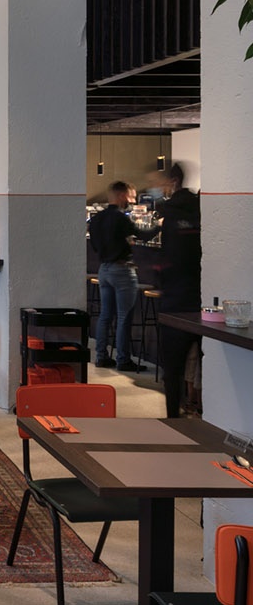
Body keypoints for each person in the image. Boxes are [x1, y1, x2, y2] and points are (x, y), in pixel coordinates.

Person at [151, 162, 202, 417]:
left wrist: (158, 273)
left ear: (172, 181)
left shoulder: (169, 213)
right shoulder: (200, 208)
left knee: (173, 370)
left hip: (175, 301)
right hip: (203, 300)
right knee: (211, 365)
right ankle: (206, 414)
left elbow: (169, 258)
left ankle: (174, 418)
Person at [88, 180, 154, 370]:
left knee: (105, 316)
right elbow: (144, 235)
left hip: (104, 269)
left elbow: (95, 246)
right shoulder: (120, 218)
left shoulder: (97, 219)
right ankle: (123, 360)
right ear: (122, 195)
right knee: (124, 317)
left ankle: (101, 357)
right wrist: (160, 225)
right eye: (131, 197)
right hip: (122, 270)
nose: (132, 201)